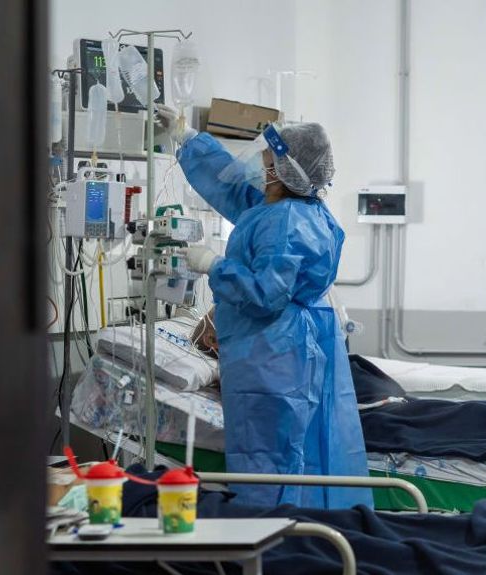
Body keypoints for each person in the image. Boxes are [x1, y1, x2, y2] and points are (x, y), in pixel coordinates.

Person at [157, 105, 372, 510]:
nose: (259, 162)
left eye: (267, 157)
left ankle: (273, 539)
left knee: (270, 454)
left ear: (281, 169)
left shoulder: (287, 223)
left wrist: (213, 265)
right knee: (300, 450)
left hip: (273, 356)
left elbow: (265, 294)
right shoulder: (284, 208)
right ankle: (310, 534)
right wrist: (186, 138)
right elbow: (233, 188)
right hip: (284, 348)